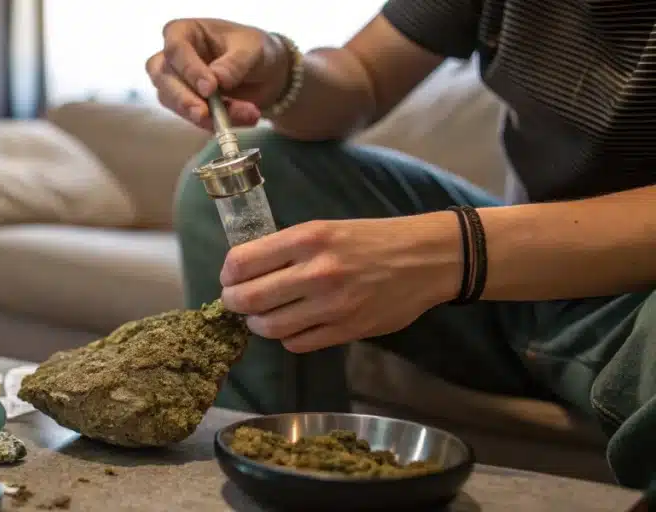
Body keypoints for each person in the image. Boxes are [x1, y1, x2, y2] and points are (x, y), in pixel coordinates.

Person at [146, 1, 656, 495]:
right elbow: (362, 75)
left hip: (636, 298)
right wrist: (281, 70)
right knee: (267, 177)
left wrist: (450, 253)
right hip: (516, 290)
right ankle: (275, 479)